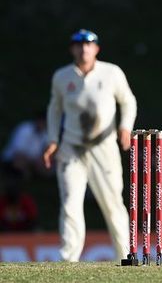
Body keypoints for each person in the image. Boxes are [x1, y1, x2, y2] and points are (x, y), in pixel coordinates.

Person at [43, 29, 137, 262]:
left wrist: (125, 127)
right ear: (72, 49)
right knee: (70, 203)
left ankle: (126, 255)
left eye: (89, 44)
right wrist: (53, 140)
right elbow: (55, 110)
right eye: (79, 44)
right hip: (71, 148)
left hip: (103, 147)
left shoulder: (111, 72)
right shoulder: (62, 76)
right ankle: (68, 259)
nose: (84, 49)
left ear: (96, 49)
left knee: (113, 203)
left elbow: (128, 101)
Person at [1, 111, 49, 179]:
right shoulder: (25, 129)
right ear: (38, 120)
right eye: (43, 122)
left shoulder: (44, 134)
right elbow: (18, 153)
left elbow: (46, 151)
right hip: (12, 159)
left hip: (32, 161)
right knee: (19, 161)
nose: (43, 124)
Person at [0, 167, 38, 231]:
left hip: (24, 234)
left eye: (14, 187)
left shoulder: (26, 201)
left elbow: (33, 221)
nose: (12, 190)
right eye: (9, 188)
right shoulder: (1, 201)